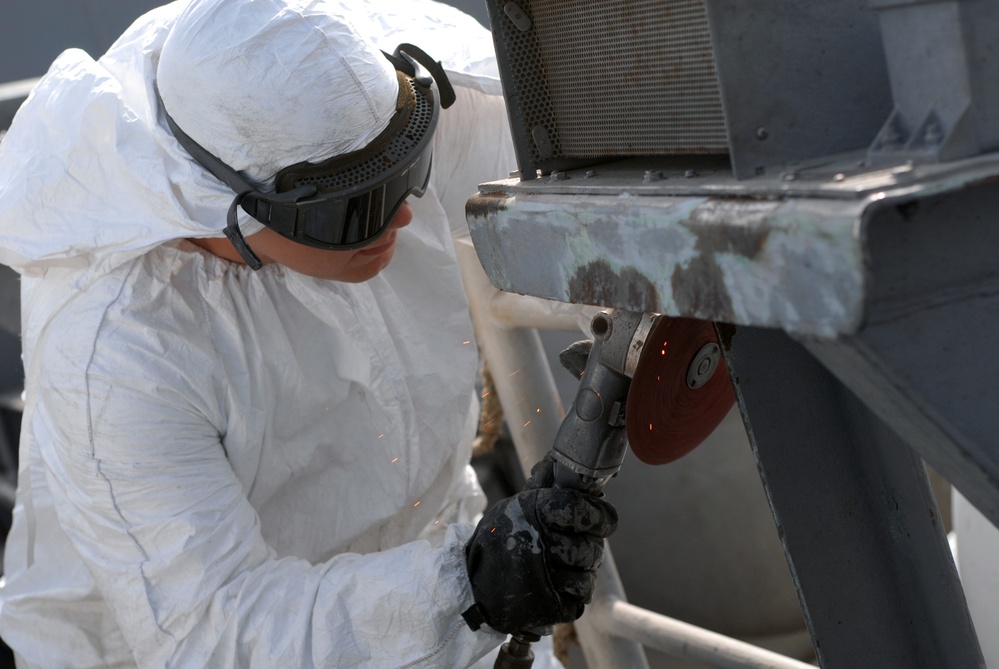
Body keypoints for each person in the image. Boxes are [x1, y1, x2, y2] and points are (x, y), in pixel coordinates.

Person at [0, 1, 618, 667]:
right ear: (224, 206)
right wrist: (468, 585)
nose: (404, 216)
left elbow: (569, 181)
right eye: (356, 210)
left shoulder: (352, 112)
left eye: (406, 173)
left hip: (434, 580)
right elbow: (214, 630)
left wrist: (635, 282)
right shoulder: (119, 353)